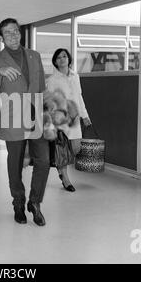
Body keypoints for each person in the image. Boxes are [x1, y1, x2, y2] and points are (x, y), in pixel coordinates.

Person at [0, 18, 49, 226]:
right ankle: (18, 202)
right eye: (8, 33)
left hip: (35, 116)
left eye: (16, 31)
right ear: (1, 38)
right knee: (15, 163)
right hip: (13, 117)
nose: (13, 35)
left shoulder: (34, 56)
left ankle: (35, 202)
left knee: (44, 161)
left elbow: (41, 88)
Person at [46, 48, 91, 192]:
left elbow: (79, 96)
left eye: (64, 56)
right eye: (58, 57)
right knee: (62, 150)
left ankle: (61, 171)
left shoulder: (75, 76)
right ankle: (65, 177)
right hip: (61, 118)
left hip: (75, 117)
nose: (62, 59)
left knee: (75, 148)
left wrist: (85, 115)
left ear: (69, 59)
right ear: (55, 61)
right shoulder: (52, 80)